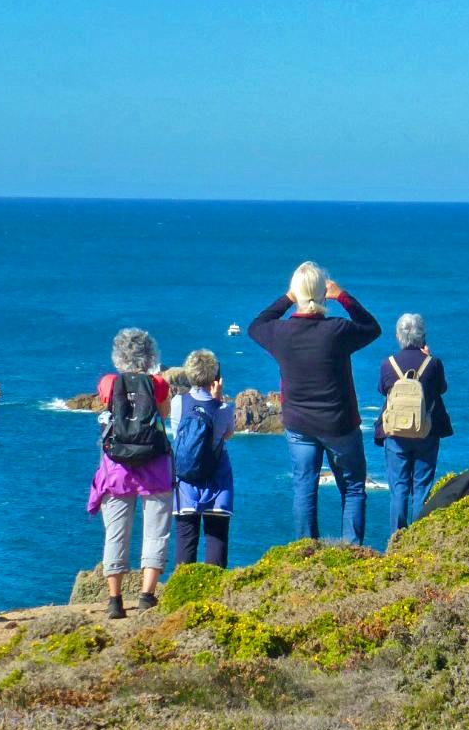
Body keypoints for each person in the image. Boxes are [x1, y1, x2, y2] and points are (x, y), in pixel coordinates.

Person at [248, 261, 381, 544]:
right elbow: (372, 328)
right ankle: (352, 553)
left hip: (299, 426)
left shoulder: (280, 333)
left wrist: (287, 298)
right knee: (353, 488)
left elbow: (255, 325)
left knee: (304, 488)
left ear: (297, 293)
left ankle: (306, 554)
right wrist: (342, 295)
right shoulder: (337, 330)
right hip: (339, 424)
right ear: (323, 294)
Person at [87, 328, 173, 619]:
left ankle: (114, 600)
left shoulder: (108, 383)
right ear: (150, 355)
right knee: (156, 531)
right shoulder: (159, 383)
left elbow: (106, 409)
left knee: (116, 534)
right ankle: (147, 595)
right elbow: (164, 415)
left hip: (117, 467)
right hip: (155, 465)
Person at [376, 313, 452, 531]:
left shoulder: (388, 364)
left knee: (398, 488)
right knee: (422, 488)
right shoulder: (433, 363)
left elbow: (382, 390)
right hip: (426, 431)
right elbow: (441, 389)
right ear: (422, 337)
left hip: (396, 433)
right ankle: (418, 539)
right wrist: (429, 357)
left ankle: (396, 540)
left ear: (399, 335)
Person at [169, 349, 235, 567]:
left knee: (186, 538)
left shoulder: (178, 402)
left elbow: (178, 433)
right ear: (215, 378)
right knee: (216, 538)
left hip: (186, 481)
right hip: (217, 481)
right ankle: (214, 593)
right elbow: (227, 435)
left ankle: (181, 591)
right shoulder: (224, 409)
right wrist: (217, 400)